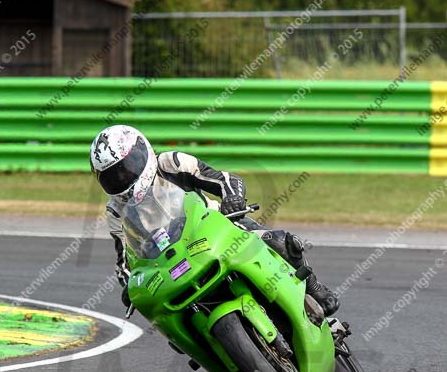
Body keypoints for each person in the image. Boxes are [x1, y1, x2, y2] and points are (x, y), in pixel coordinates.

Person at [90, 125, 339, 316]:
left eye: (128, 166)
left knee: (281, 242)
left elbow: (225, 179)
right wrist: (131, 287)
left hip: (216, 228)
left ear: (143, 151)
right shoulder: (115, 210)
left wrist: (232, 197)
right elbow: (125, 261)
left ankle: (313, 287)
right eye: (114, 175)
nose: (124, 177)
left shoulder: (171, 163)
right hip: (172, 263)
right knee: (166, 314)